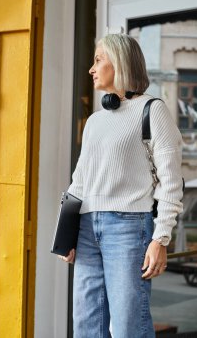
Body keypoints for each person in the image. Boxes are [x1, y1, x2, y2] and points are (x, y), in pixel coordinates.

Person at [58, 34, 183, 338]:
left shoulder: (152, 111)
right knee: (87, 326)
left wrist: (161, 237)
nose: (91, 68)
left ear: (121, 63)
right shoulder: (94, 122)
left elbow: (170, 181)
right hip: (87, 230)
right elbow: (80, 180)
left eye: (99, 59)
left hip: (128, 229)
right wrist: (67, 233)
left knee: (130, 327)